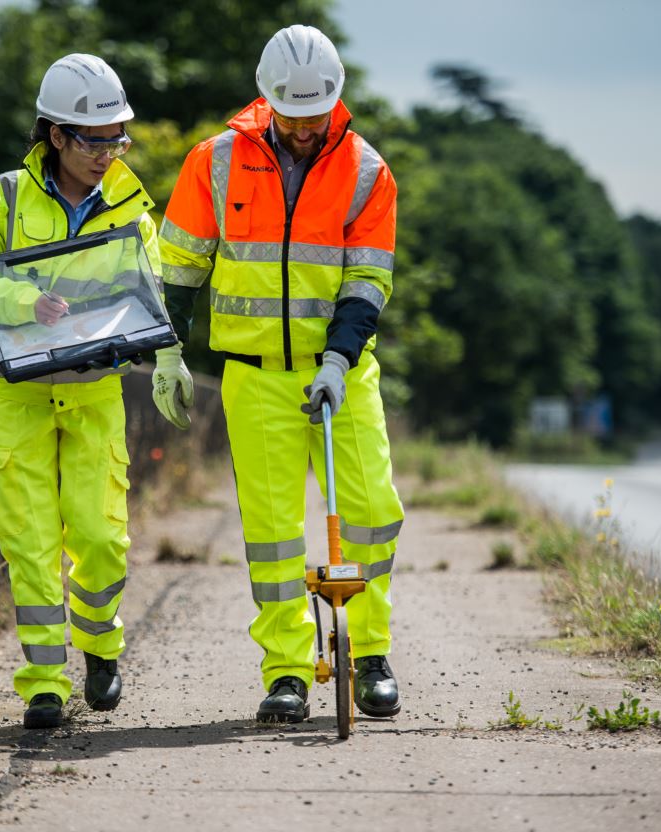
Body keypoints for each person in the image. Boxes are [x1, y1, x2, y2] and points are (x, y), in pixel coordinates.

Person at [152, 24, 404, 723]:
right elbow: (177, 271)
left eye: (315, 113)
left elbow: (366, 283)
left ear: (336, 100)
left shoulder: (366, 172)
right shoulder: (214, 161)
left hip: (342, 373)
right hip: (254, 376)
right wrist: (166, 351)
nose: (302, 127)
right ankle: (288, 671)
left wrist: (336, 359)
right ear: (266, 102)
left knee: (373, 515)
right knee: (272, 533)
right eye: (290, 114)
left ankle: (370, 653)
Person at [0, 54, 160, 730]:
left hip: (95, 394)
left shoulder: (132, 208)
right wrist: (23, 302)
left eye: (117, 137)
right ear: (56, 136)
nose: (108, 153)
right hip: (19, 398)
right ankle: (42, 684)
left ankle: (99, 647)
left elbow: (146, 293)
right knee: (30, 544)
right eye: (95, 139)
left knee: (99, 537)